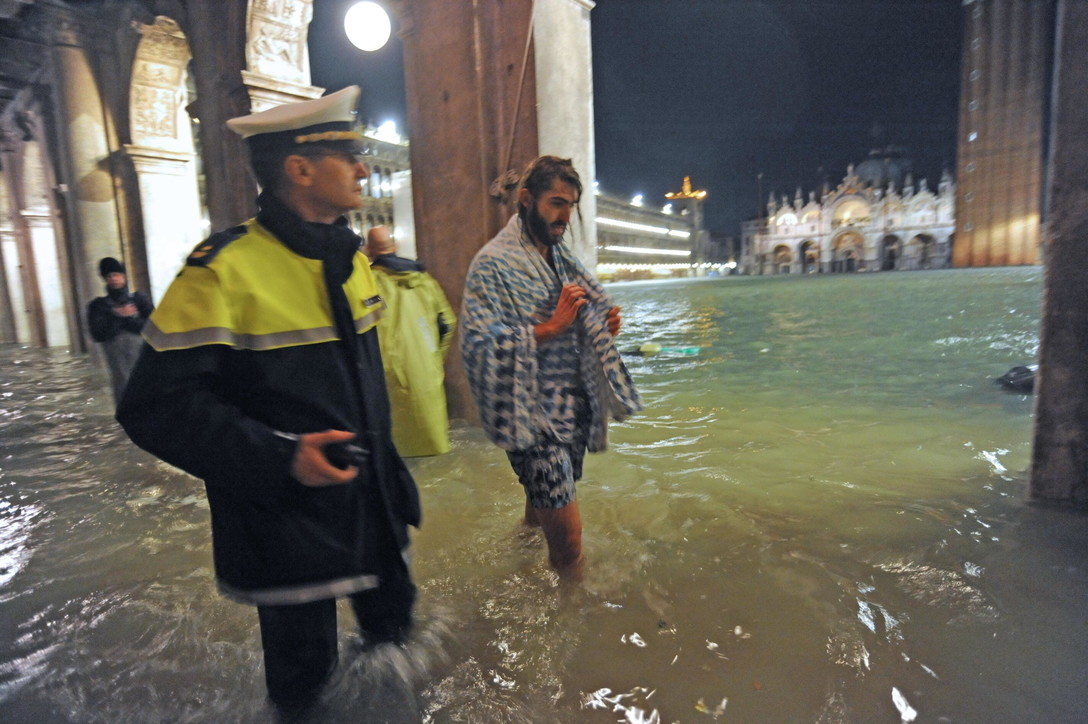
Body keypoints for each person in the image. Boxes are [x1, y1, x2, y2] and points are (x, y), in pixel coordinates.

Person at [115, 85, 422, 710]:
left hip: (374, 514)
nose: (364, 168)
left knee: (400, 654)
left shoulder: (353, 260)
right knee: (305, 690)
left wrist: (392, 477)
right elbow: (152, 407)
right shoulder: (221, 270)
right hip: (287, 529)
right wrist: (281, 456)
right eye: (349, 154)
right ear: (299, 169)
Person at [460, 155, 642, 580]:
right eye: (556, 203)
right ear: (526, 200)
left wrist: (600, 325)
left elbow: (583, 315)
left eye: (572, 205)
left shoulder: (562, 259)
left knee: (537, 513)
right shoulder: (492, 265)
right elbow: (477, 345)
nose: (565, 215)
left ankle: (519, 559)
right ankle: (572, 627)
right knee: (570, 546)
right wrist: (550, 327)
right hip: (530, 418)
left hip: (568, 409)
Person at [366, 226, 456, 457]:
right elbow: (447, 322)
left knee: (395, 455)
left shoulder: (367, 281)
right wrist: (435, 358)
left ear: (369, 250)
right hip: (425, 371)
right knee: (431, 454)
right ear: (394, 247)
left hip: (387, 379)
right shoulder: (424, 279)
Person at [86, 256, 154, 404]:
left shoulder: (139, 299)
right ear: (105, 279)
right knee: (123, 391)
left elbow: (153, 327)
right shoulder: (98, 306)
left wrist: (129, 319)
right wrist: (117, 316)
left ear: (123, 276)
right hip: (119, 371)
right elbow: (98, 334)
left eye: (116, 274)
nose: (113, 279)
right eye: (109, 276)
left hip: (144, 363)